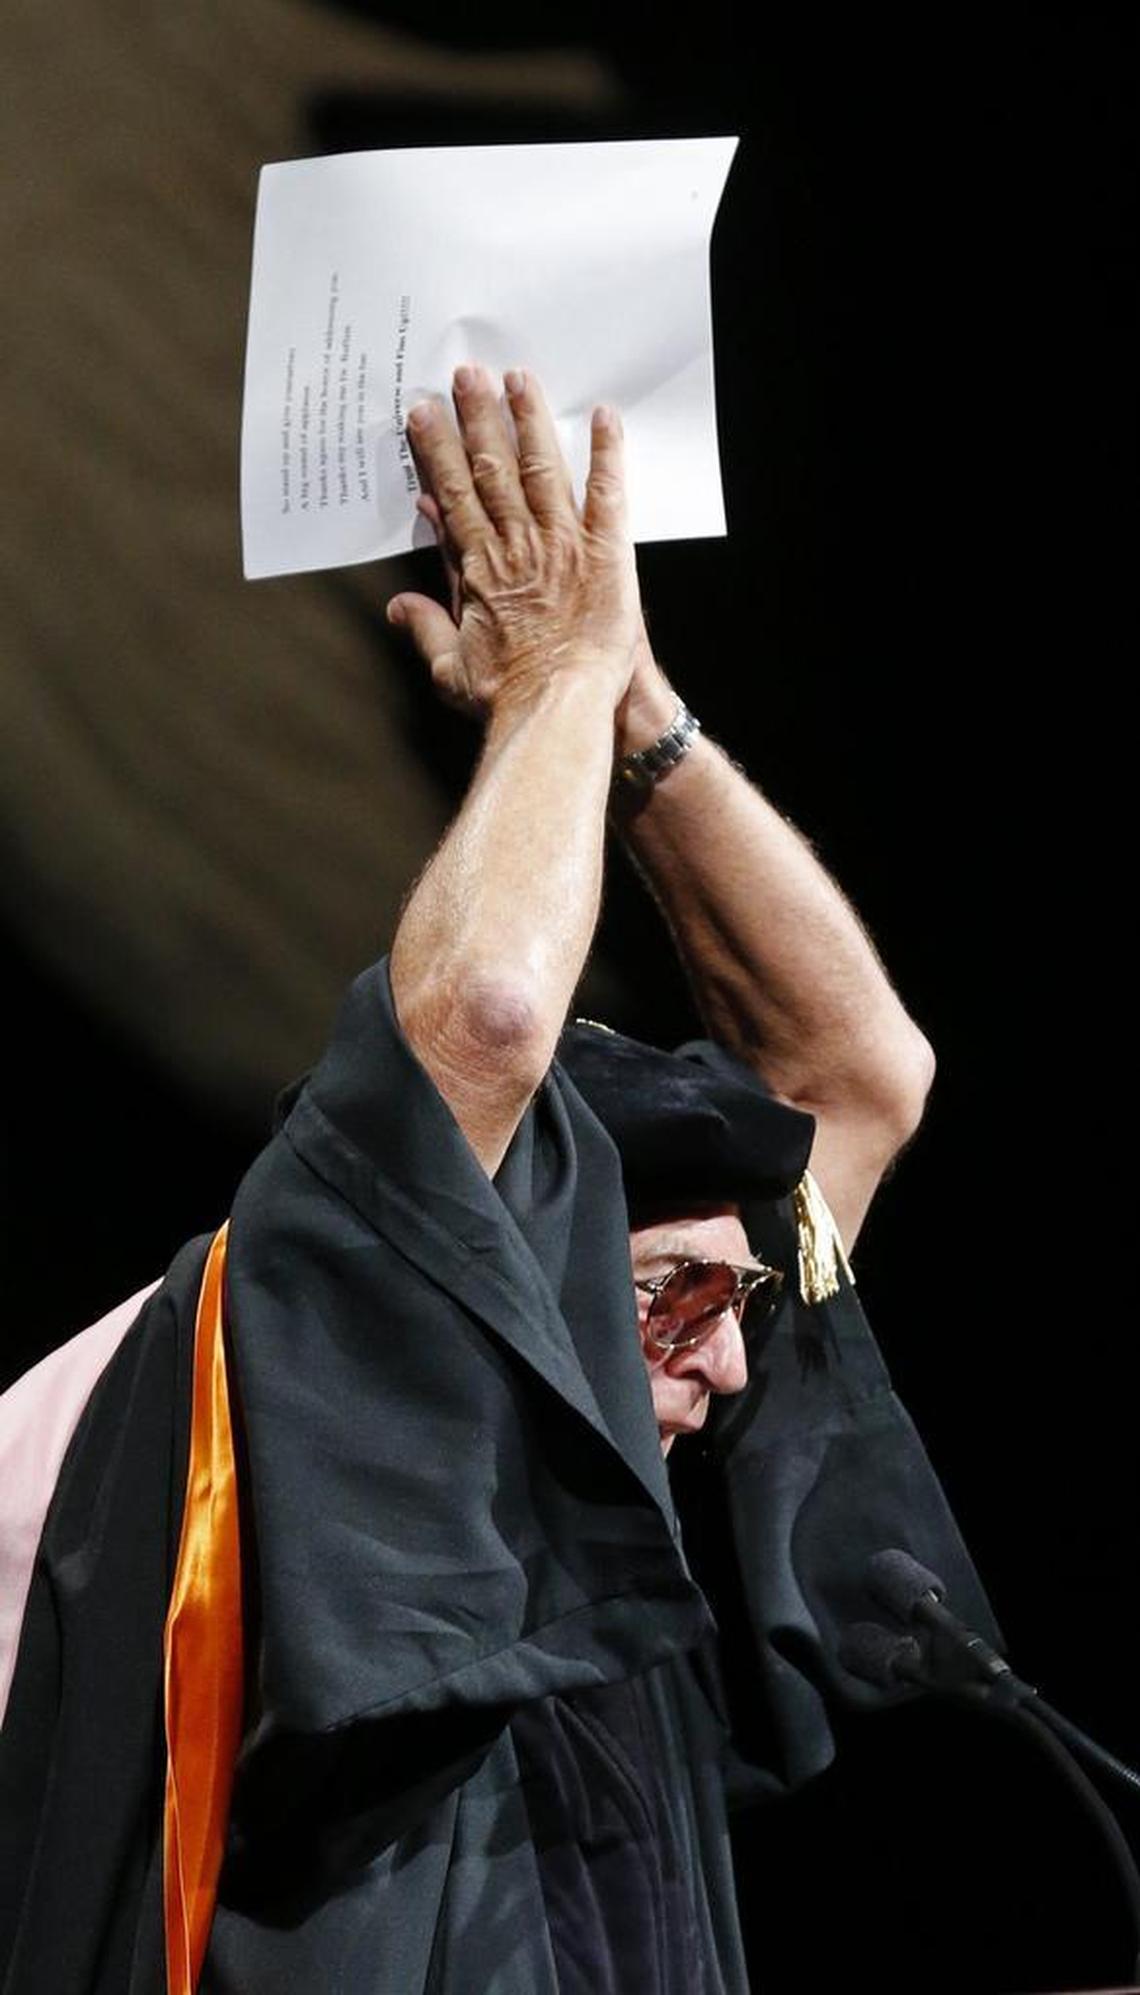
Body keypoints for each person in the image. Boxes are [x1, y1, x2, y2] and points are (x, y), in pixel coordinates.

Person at [0, 367, 1001, 1994]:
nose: (733, 1359)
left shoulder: (613, 1546)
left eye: (733, 1300)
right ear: (482, 1289)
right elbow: (483, 1020)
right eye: (676, 1296)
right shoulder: (302, 1394)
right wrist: (551, 673)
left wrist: (633, 708)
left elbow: (862, 1078)